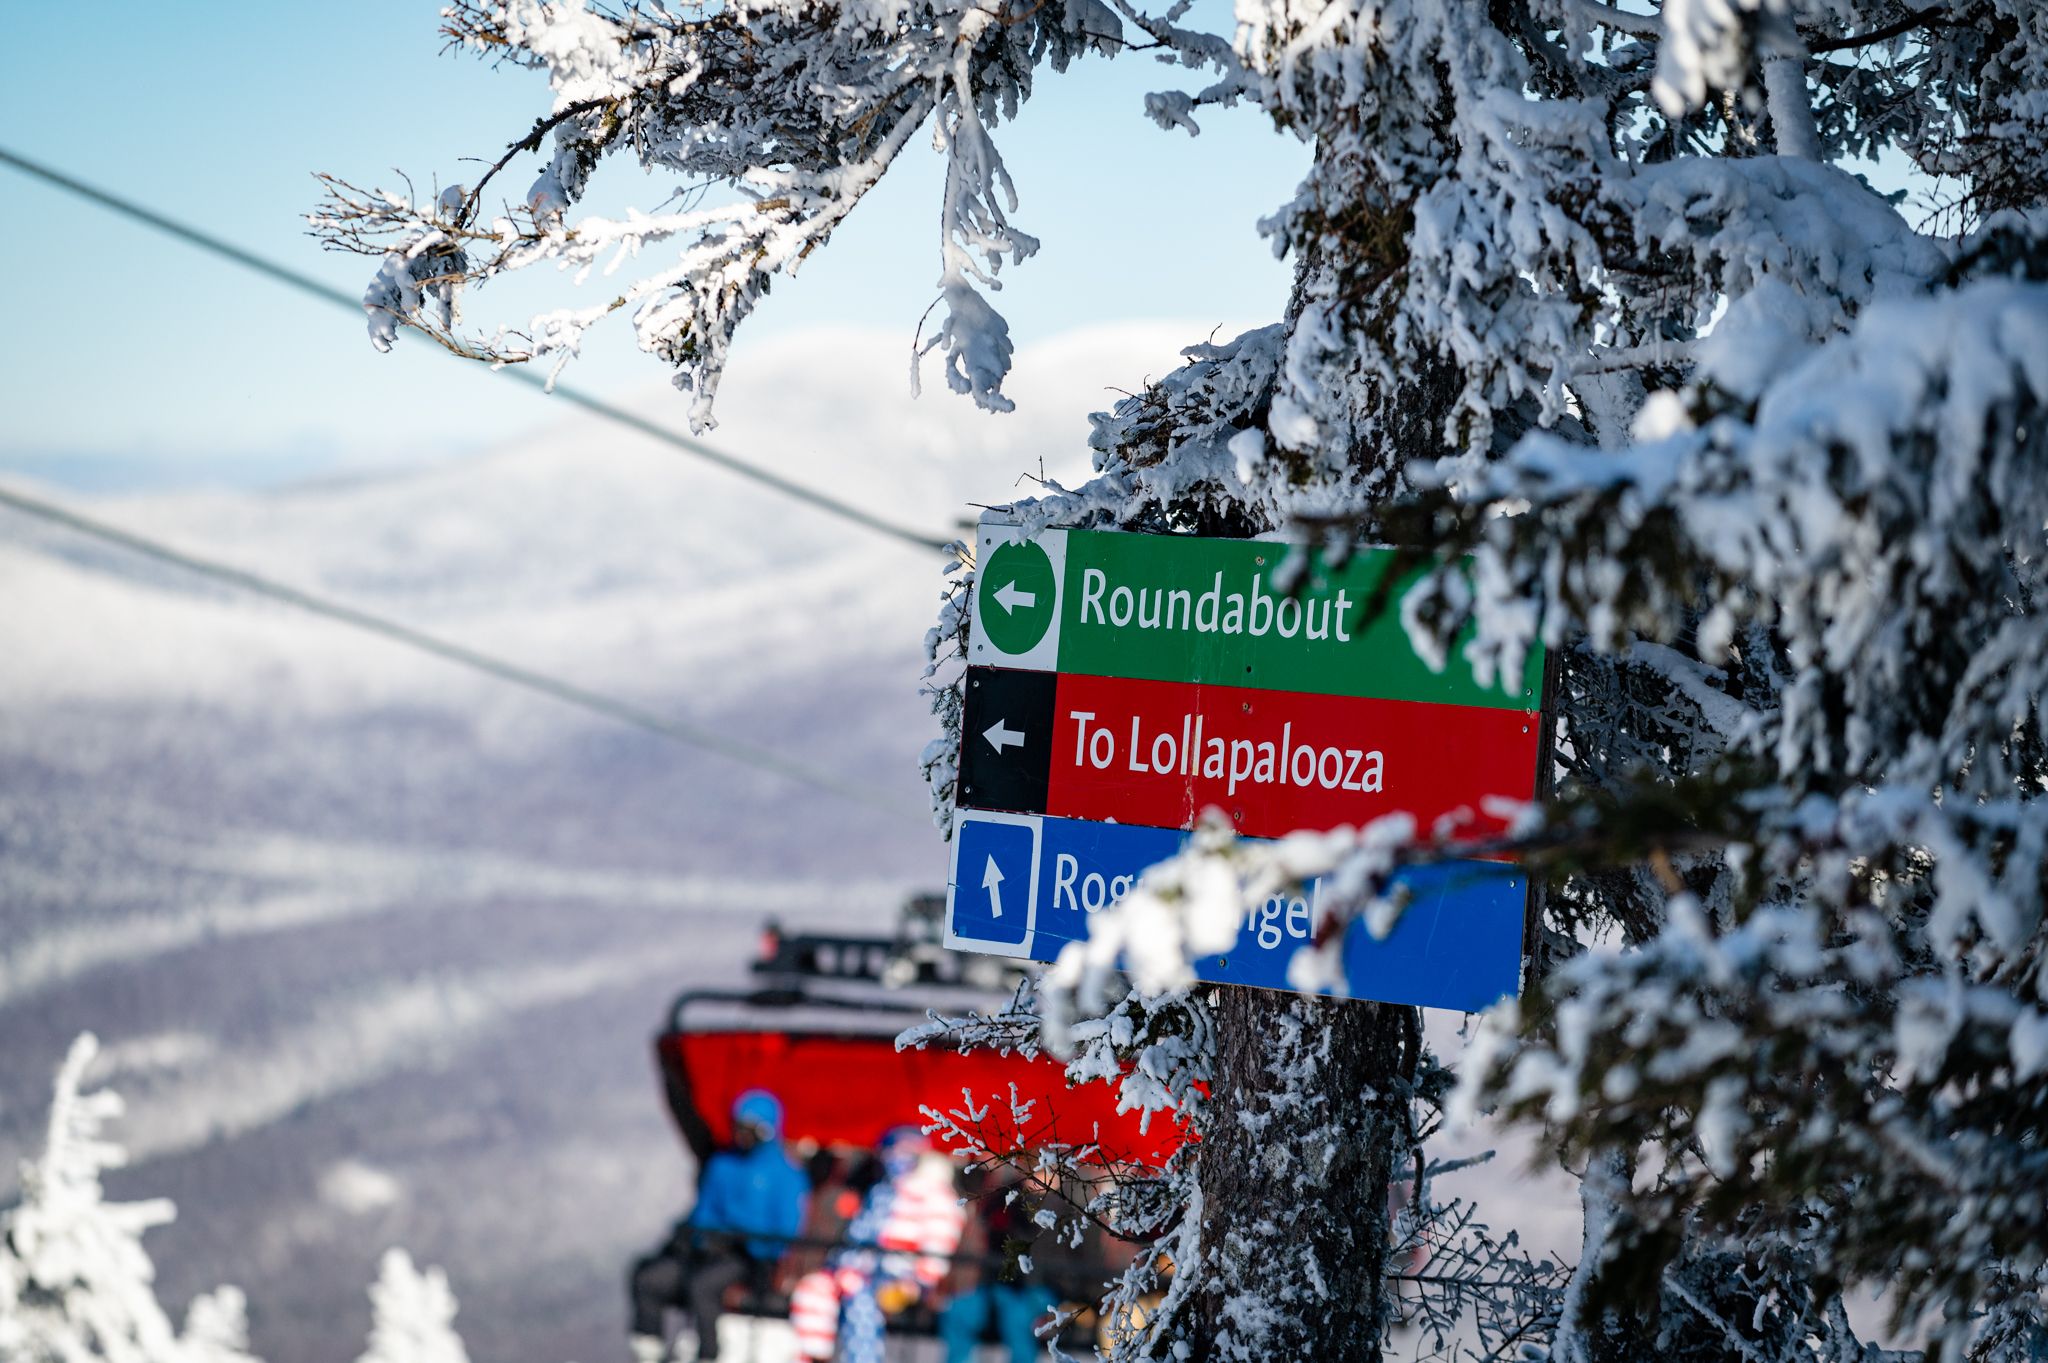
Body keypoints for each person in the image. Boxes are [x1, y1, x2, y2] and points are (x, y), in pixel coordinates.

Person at [630, 1089, 809, 1363]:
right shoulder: (722, 1165)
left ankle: (708, 1354)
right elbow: (705, 1212)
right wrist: (695, 1237)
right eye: (739, 1127)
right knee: (649, 1278)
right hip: (706, 1250)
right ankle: (647, 1351)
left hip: (748, 1258)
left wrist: (743, 1238)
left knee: (704, 1287)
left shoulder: (786, 1175)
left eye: (750, 1129)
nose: (742, 1135)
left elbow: (784, 1231)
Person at [789, 1127, 966, 1363]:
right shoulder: (881, 1190)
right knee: (813, 1289)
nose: (894, 1158)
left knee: (859, 1298)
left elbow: (938, 1244)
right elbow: (858, 1233)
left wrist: (918, 1281)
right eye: (891, 1151)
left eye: (903, 1151)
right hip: (856, 1269)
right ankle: (814, 1357)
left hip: (899, 1279)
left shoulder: (935, 1194)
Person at [937, 1168, 1057, 1363]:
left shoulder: (1054, 1206)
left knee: (1018, 1322)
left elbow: (1043, 1256)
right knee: (959, 1313)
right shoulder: (995, 1202)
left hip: (1030, 1290)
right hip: (992, 1286)